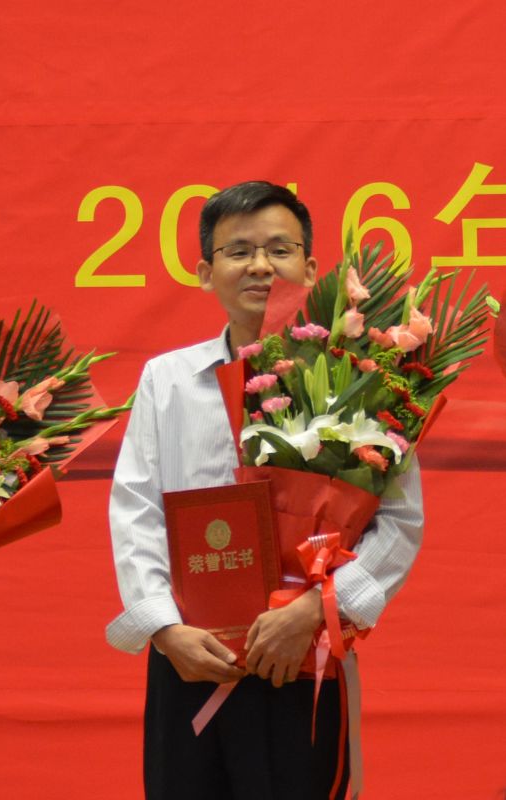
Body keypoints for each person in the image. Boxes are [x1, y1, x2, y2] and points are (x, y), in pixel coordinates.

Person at [106, 181, 424, 800]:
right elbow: (137, 510)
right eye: (239, 251)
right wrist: (164, 629)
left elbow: (399, 522)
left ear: (310, 266)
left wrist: (315, 611)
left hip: (304, 659)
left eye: (280, 249)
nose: (260, 266)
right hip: (191, 657)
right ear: (206, 272)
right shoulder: (167, 379)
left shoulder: (365, 377)